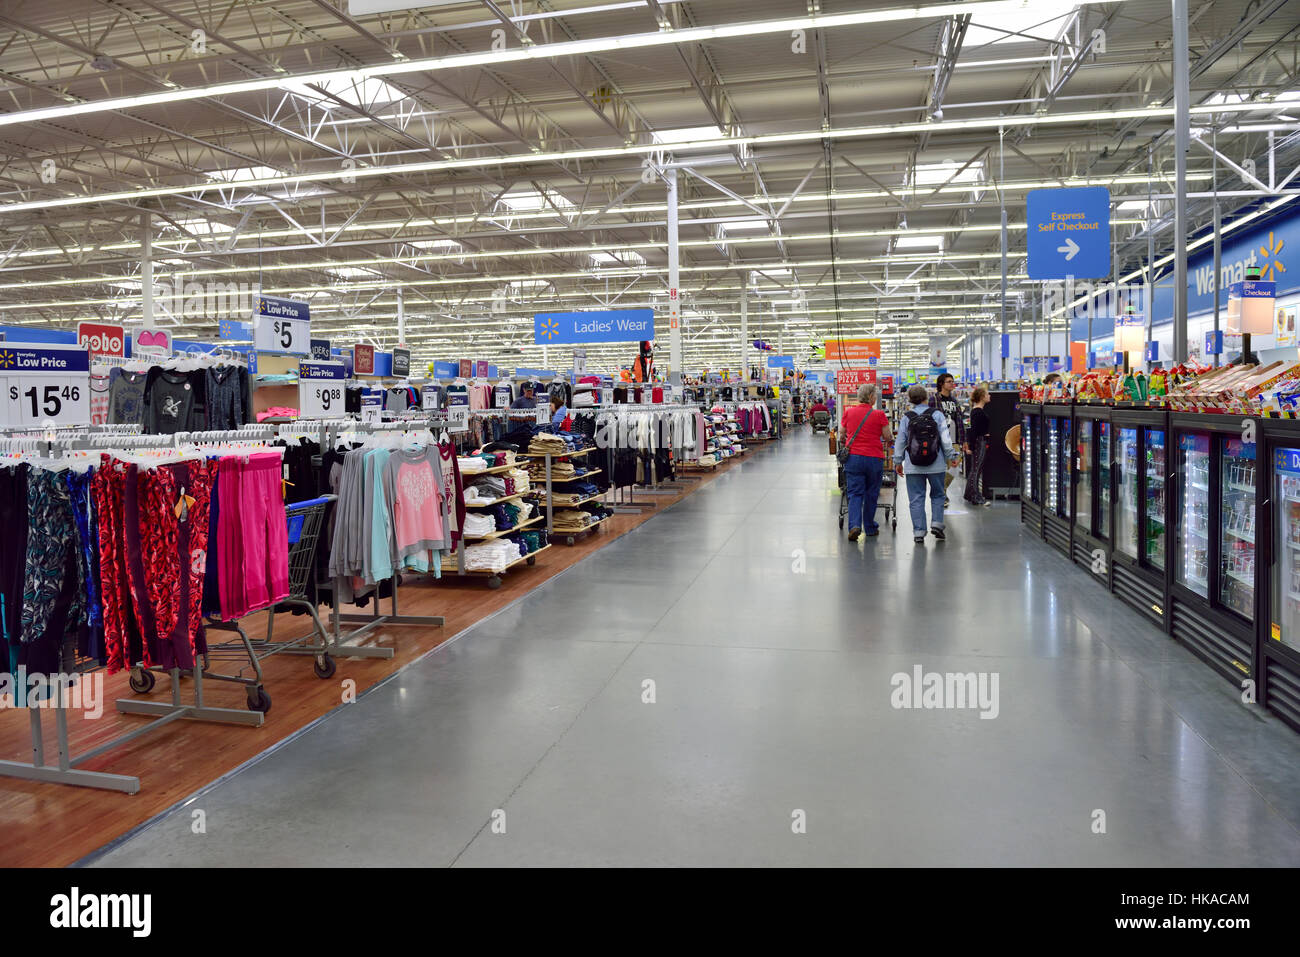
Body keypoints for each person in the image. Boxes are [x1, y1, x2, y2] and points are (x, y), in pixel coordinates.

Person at [895, 383, 959, 544]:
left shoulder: (906, 417)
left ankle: (918, 532)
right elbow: (945, 439)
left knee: (916, 498)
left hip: (913, 465)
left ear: (910, 400)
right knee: (938, 494)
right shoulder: (937, 415)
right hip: (936, 464)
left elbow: (901, 442)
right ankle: (937, 523)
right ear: (926, 398)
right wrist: (951, 456)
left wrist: (898, 461)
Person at [842, 383, 893, 541]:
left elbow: (842, 435)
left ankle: (854, 526)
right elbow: (887, 436)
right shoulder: (879, 415)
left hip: (854, 459)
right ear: (871, 397)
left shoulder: (848, 413)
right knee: (871, 493)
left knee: (855, 493)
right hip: (874, 458)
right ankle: (870, 528)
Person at [930, 373, 965, 507]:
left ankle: (940, 491)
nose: (952, 384)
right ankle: (942, 495)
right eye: (949, 382)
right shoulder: (934, 399)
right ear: (941, 384)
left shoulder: (955, 400)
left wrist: (963, 440)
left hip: (954, 439)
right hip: (940, 440)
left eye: (952, 381)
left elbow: (959, 420)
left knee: (955, 468)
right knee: (940, 468)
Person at [964, 386, 992, 507]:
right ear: (982, 397)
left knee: (976, 469)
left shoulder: (977, 411)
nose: (989, 396)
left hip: (980, 441)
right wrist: (970, 446)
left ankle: (969, 494)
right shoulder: (977, 412)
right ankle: (975, 496)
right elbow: (974, 431)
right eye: (987, 394)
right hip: (979, 442)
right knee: (976, 469)